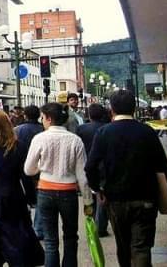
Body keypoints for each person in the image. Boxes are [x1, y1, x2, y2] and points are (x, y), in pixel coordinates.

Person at [85, 90, 167, 267]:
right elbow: (162, 166)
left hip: (115, 198)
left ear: (112, 109)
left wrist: (98, 189)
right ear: (134, 108)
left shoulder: (103, 132)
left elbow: (90, 166)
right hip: (146, 197)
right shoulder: (147, 131)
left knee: (123, 245)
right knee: (141, 247)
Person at [24, 102, 92, 267]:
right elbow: (82, 175)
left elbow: (28, 170)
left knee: (50, 240)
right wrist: (88, 201)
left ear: (48, 118)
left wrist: (42, 166)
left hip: (45, 191)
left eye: (43, 117)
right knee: (70, 237)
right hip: (68, 192)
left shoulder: (39, 138)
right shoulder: (75, 140)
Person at [0, 112, 44, 266]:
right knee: (15, 233)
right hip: (12, 193)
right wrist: (31, 197)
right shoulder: (17, 146)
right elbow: (25, 175)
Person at [76, 103, 110, 237]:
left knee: (88, 196)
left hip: (86, 165)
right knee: (101, 195)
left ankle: (90, 221)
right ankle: (101, 226)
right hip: (103, 166)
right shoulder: (106, 128)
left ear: (89, 115)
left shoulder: (81, 129)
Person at [14, 104, 44, 239]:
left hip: (21, 168)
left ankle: (26, 227)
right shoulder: (43, 130)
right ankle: (38, 228)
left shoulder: (17, 130)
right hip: (40, 169)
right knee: (39, 199)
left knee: (24, 198)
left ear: (25, 115)